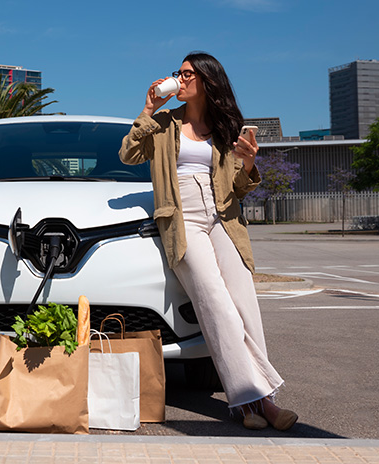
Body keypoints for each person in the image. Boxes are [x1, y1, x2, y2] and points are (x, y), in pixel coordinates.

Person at [119, 52, 298, 431]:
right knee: (217, 305)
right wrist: (149, 109)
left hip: (224, 217)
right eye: (177, 74)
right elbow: (129, 153)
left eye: (186, 75)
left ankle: (260, 400)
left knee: (245, 303)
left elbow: (238, 188)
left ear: (206, 82)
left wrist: (248, 164)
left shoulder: (224, 128)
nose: (179, 80)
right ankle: (253, 402)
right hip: (182, 219)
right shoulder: (164, 123)